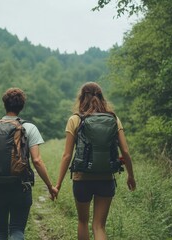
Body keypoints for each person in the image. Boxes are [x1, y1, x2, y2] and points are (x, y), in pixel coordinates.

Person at [55, 82, 136, 240]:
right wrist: (131, 176)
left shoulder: (75, 119)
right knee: (99, 226)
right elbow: (125, 151)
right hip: (106, 178)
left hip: (82, 179)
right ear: (101, 97)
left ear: (81, 98)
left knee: (83, 222)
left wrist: (57, 184)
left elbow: (67, 155)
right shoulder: (113, 118)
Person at [0, 87, 58, 240]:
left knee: (0, 232)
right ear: (21, 106)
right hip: (20, 186)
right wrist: (49, 186)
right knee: (17, 230)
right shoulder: (29, 128)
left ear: (4, 105)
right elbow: (37, 161)